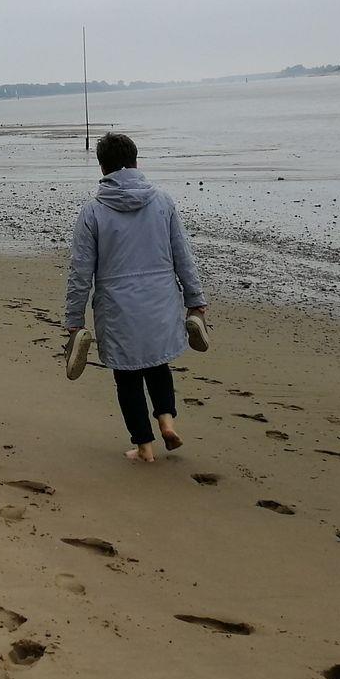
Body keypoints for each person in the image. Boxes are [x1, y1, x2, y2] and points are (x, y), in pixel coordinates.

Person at [64, 132, 208, 464]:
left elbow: (80, 272)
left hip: (117, 308)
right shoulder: (163, 202)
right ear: (136, 162)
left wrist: (74, 321)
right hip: (160, 301)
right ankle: (167, 421)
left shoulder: (92, 212)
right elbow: (183, 256)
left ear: (103, 168)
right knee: (158, 365)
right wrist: (195, 300)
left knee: (127, 377)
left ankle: (144, 446)